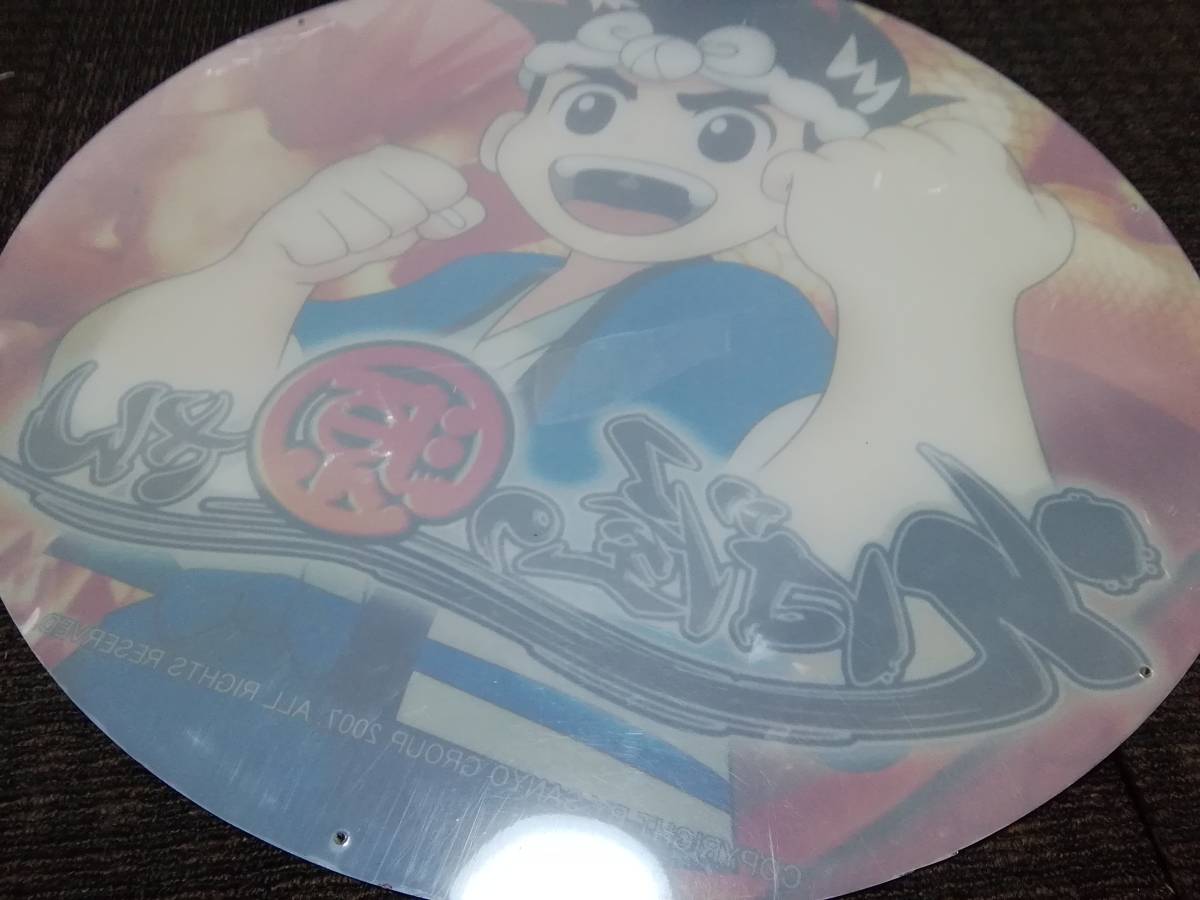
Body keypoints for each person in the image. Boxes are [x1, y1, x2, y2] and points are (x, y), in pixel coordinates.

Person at [31, 0, 1074, 889]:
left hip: (521, 794)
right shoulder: (464, 289)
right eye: (590, 108)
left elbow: (894, 629)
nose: (634, 156)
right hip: (195, 695)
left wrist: (936, 310)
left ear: (807, 181)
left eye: (723, 134)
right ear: (513, 136)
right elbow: (122, 444)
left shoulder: (753, 328)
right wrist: (263, 275)